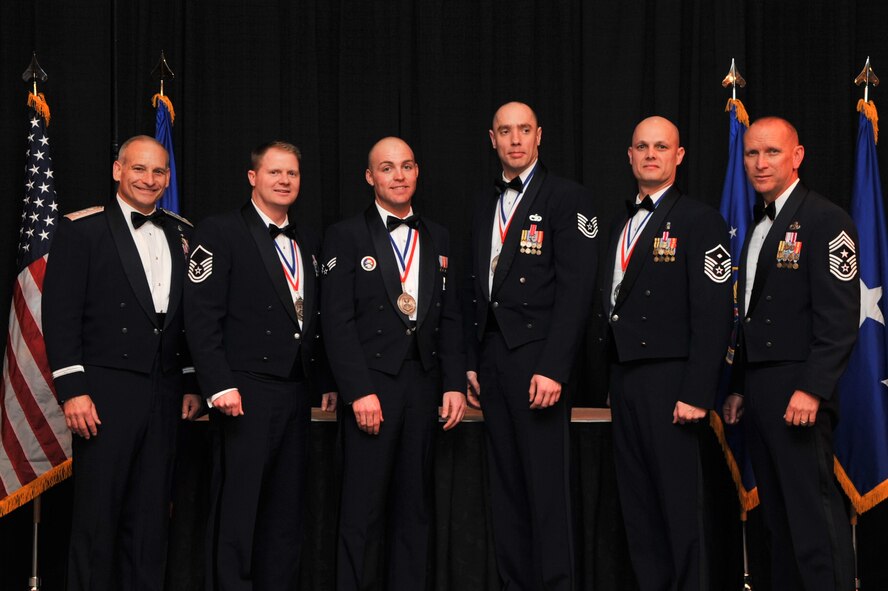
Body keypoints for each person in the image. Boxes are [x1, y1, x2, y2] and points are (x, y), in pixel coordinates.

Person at [42, 135, 201, 591]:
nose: (149, 179)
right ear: (118, 170)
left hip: (165, 393)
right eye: (139, 168)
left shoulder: (183, 232)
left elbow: (190, 317)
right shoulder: (82, 230)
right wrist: (73, 390)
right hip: (103, 394)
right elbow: (60, 314)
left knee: (151, 521)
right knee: (97, 519)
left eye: (158, 171)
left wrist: (190, 380)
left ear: (167, 178)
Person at [184, 141, 336, 591]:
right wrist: (218, 384)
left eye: (292, 173)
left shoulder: (309, 240)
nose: (284, 181)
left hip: (295, 391)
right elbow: (201, 315)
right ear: (253, 177)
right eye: (274, 172)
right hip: (243, 391)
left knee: (286, 512)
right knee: (239, 508)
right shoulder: (220, 231)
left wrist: (324, 380)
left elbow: (316, 320)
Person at [321, 136, 466, 590]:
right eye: (387, 168)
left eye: (406, 166)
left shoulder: (438, 235)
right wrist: (357, 391)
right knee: (361, 511)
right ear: (370, 177)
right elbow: (337, 321)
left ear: (417, 172)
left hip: (423, 386)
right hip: (372, 388)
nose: (398, 176)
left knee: (414, 510)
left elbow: (452, 316)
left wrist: (454, 383)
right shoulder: (345, 235)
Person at [463, 101, 598, 590]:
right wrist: (472, 361)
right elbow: (471, 288)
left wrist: (555, 366)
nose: (515, 139)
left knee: (546, 492)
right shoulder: (483, 201)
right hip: (493, 360)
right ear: (492, 139)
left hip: (540, 361)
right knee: (506, 491)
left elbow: (577, 290)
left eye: (524, 130)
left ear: (539, 135)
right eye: (505, 131)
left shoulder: (568, 197)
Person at [723, 117, 858, 591]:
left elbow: (839, 318)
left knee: (812, 520)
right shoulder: (758, 223)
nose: (760, 163)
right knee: (778, 522)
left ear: (797, 156)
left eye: (772, 152)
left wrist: (813, 388)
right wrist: (740, 386)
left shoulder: (825, 220)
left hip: (800, 389)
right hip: (761, 389)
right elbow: (753, 314)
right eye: (752, 153)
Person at [602, 116, 732, 590]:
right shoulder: (619, 223)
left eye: (661, 147)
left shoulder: (701, 220)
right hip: (627, 380)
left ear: (679, 156)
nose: (651, 154)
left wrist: (697, 392)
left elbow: (714, 314)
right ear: (630, 156)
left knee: (679, 508)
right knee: (638, 509)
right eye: (642, 146)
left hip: (674, 383)